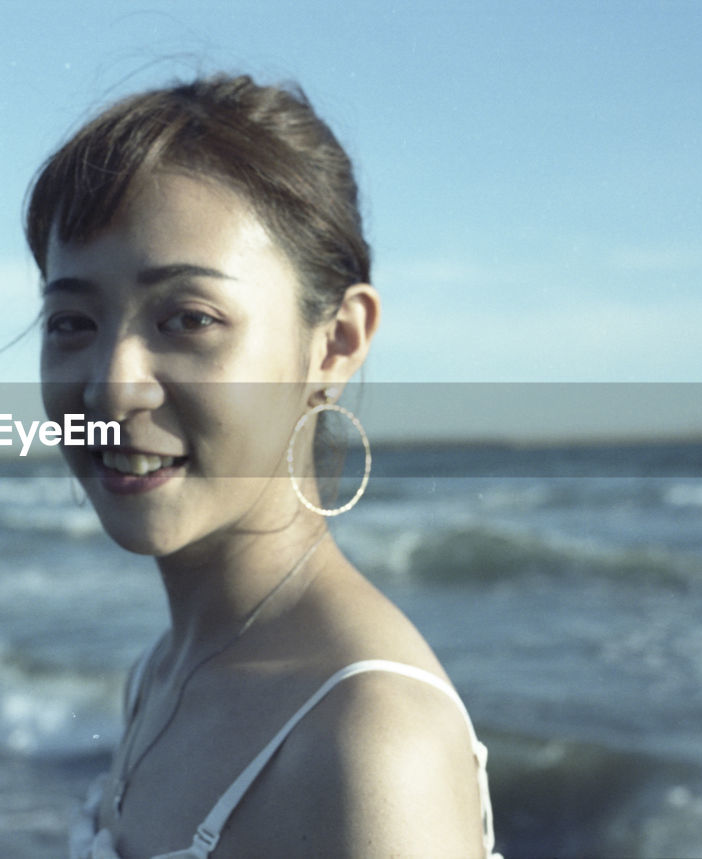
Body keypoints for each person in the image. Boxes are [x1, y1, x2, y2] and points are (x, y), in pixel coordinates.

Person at [26, 73, 499, 859]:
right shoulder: (161, 670)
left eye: (188, 318)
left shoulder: (371, 744)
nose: (112, 383)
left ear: (337, 341)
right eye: (72, 321)